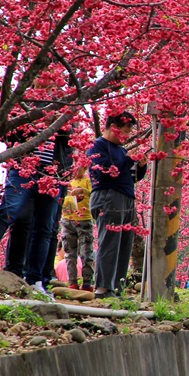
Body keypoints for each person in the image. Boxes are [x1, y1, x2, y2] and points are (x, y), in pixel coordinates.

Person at [0, 124, 71, 295]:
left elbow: (71, 141)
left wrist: (61, 126)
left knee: (45, 227)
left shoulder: (66, 111)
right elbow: (7, 133)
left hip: (53, 173)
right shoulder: (30, 101)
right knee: (8, 210)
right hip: (23, 166)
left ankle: (35, 279)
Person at [87, 111, 147, 298]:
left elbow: (129, 177)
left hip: (125, 197)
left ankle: (117, 287)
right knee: (110, 243)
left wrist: (141, 166)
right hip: (107, 196)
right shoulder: (98, 146)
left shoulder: (121, 151)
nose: (127, 136)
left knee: (124, 244)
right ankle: (103, 287)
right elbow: (106, 171)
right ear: (114, 128)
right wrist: (129, 159)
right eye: (125, 132)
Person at [60, 161, 94, 290]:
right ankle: (72, 281)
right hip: (67, 220)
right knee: (69, 252)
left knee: (86, 252)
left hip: (84, 219)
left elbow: (94, 193)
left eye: (78, 166)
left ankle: (87, 282)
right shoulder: (65, 181)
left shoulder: (87, 181)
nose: (75, 170)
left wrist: (83, 191)